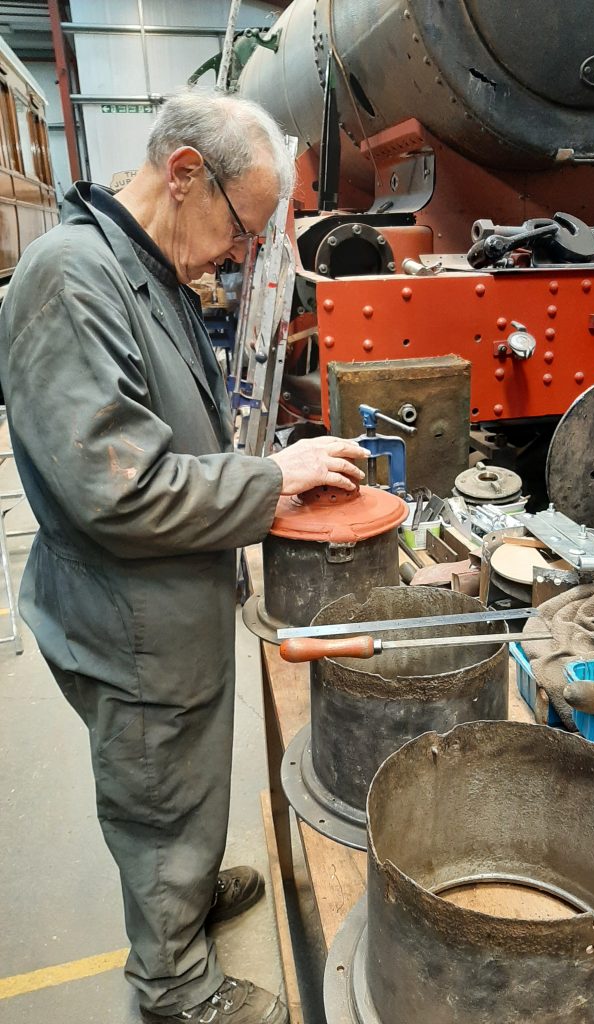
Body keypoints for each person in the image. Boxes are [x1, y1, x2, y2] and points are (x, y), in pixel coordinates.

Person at [0, 93, 368, 1023]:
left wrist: (259, 468)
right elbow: (116, 488)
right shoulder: (68, 280)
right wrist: (266, 482)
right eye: (243, 227)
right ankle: (172, 986)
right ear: (185, 175)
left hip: (170, 597)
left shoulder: (140, 267)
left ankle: (190, 891)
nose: (242, 253)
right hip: (128, 623)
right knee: (158, 792)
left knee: (191, 772)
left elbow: (163, 431)